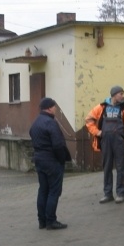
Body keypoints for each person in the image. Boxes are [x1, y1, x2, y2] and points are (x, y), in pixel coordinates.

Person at [85, 85, 124, 204]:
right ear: (114, 95)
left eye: (122, 94)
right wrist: (97, 132)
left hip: (120, 142)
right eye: (120, 94)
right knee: (107, 167)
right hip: (105, 141)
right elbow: (89, 119)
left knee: (121, 168)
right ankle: (108, 194)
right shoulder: (102, 107)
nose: (122, 96)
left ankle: (120, 194)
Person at [29, 97, 71, 230]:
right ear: (49, 108)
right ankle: (51, 221)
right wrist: (61, 159)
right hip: (52, 161)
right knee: (54, 191)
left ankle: (42, 221)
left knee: (43, 190)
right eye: (54, 106)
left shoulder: (36, 122)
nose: (55, 109)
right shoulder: (51, 123)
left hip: (39, 159)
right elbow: (58, 145)